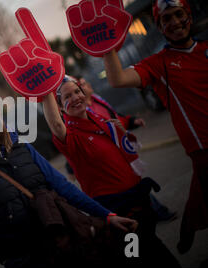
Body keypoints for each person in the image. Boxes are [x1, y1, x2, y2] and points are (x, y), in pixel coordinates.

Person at [0, 83, 137, 268]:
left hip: (60, 244)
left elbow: (63, 187)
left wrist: (106, 216)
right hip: (23, 260)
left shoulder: (22, 146)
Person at [102, 0, 208, 253]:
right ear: (159, 27)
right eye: (166, 19)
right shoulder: (158, 63)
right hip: (202, 149)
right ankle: (191, 223)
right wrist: (106, 45)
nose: (174, 22)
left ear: (189, 16)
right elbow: (117, 79)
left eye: (178, 15)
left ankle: (191, 222)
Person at [42, 76, 180, 268]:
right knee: (137, 258)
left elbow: (118, 124)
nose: (74, 98)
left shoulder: (98, 119)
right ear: (61, 108)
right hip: (119, 213)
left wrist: (129, 123)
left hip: (140, 203)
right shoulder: (70, 136)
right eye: (67, 97)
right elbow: (56, 125)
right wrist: (44, 91)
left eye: (77, 92)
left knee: (153, 249)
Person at [73, 76, 177, 223]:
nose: (87, 85)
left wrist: (132, 121)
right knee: (134, 186)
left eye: (85, 82)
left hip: (120, 149)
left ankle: (151, 213)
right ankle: (156, 212)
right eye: (82, 85)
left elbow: (115, 117)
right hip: (109, 156)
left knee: (135, 183)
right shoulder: (83, 112)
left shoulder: (97, 100)